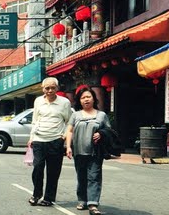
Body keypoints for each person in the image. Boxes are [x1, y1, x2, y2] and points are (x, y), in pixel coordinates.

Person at [27, 77, 73, 207]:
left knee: (53, 171)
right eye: (47, 88)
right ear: (43, 89)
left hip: (55, 141)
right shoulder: (38, 101)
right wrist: (31, 137)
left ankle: (48, 198)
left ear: (57, 88)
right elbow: (35, 120)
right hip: (39, 140)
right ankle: (36, 195)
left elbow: (69, 121)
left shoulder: (64, 102)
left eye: (53, 87)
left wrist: (63, 137)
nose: (50, 90)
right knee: (38, 168)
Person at [66, 86, 111, 215]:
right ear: (79, 100)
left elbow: (109, 131)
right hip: (78, 151)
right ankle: (82, 200)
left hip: (96, 152)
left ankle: (93, 204)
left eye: (88, 97)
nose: (86, 99)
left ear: (93, 99)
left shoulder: (101, 115)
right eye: (83, 97)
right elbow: (69, 131)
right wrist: (68, 147)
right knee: (81, 177)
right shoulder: (75, 115)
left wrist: (101, 134)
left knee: (94, 177)